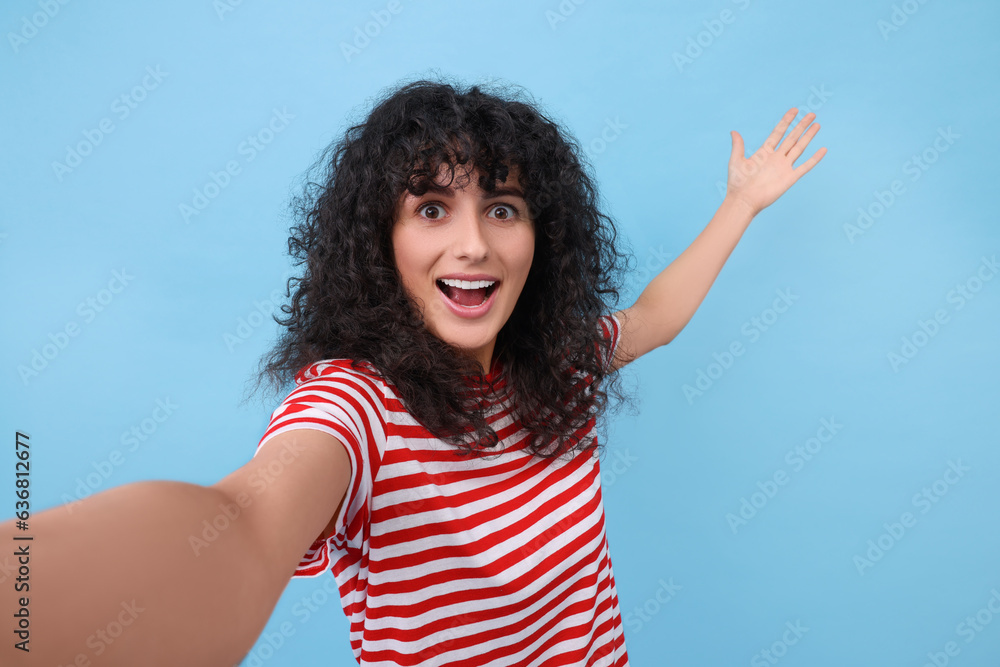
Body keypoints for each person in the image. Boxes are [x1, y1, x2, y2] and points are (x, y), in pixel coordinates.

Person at [1, 76, 825, 666]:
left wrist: (740, 204)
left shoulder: (561, 362)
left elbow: (652, 319)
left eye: (502, 207)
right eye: (431, 209)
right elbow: (242, 521)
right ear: (380, 245)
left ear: (543, 239)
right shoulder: (357, 405)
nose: (472, 243)